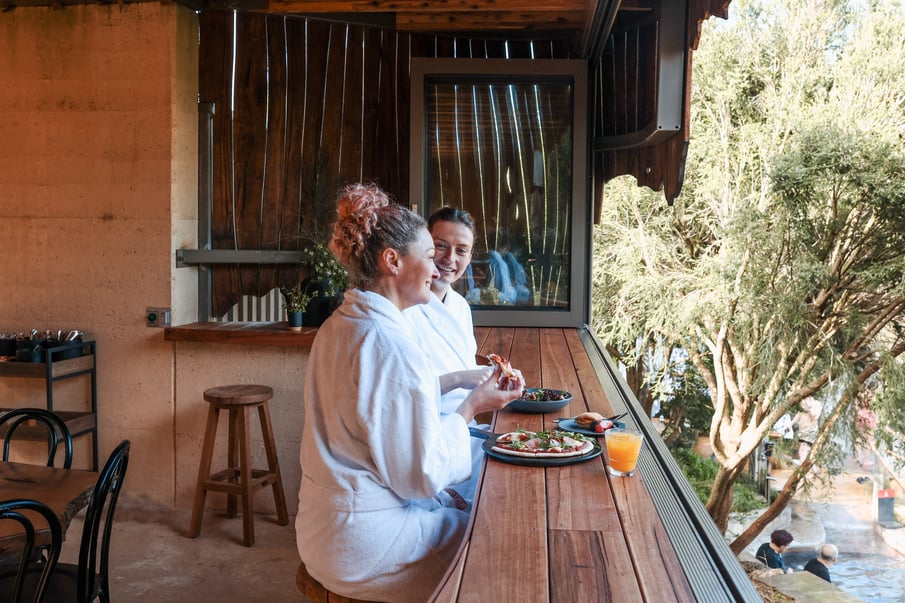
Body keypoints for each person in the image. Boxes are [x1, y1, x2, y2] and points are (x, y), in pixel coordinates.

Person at [295, 183, 523, 602]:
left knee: (465, 508)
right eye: (429, 256)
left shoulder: (339, 326)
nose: (439, 270)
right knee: (496, 540)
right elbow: (420, 476)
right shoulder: (392, 345)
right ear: (393, 261)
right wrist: (472, 406)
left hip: (321, 529)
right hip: (366, 545)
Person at [403, 207, 516, 505]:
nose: (450, 259)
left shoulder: (460, 307)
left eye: (461, 250)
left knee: (516, 459)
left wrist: (497, 379)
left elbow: (467, 374)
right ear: (424, 246)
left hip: (464, 427)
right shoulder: (404, 307)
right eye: (440, 246)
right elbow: (402, 394)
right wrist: (461, 379)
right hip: (426, 435)